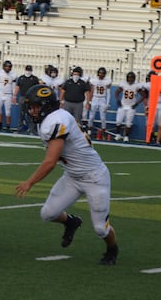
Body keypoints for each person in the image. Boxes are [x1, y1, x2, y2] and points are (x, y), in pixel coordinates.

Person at [16, 85, 119, 266]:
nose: (32, 111)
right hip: (72, 176)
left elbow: (50, 162)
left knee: (100, 229)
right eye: (30, 107)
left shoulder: (56, 120)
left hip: (94, 177)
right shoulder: (51, 119)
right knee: (48, 213)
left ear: (46, 105)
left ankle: (112, 249)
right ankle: (71, 222)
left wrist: (29, 182)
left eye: (35, 106)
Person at [114, 72, 144, 142]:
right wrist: (118, 100)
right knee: (118, 121)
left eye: (132, 78)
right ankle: (118, 135)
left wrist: (137, 103)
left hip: (131, 107)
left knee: (128, 123)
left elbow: (143, 95)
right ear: (127, 78)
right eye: (129, 78)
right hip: (123, 105)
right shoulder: (123, 84)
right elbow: (117, 92)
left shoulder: (137, 85)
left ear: (134, 78)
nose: (130, 79)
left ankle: (126, 136)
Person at [14, 65, 40, 133]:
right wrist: (14, 96)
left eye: (29, 70)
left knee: (31, 114)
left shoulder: (34, 78)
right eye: (27, 70)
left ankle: (32, 130)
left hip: (31, 98)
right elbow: (17, 87)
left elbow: (37, 88)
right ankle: (19, 129)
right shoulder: (21, 78)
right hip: (23, 97)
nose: (28, 72)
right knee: (21, 114)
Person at [87, 67, 112, 139]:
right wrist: (89, 101)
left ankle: (103, 132)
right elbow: (91, 91)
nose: (101, 74)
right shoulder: (94, 80)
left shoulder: (107, 81)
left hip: (102, 99)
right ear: (98, 73)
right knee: (91, 116)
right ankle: (89, 131)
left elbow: (108, 92)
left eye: (103, 73)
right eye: (100, 73)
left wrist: (107, 103)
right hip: (95, 98)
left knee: (103, 117)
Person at [0, 60, 16, 131]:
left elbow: (13, 87)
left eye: (9, 66)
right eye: (6, 66)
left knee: (8, 111)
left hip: (8, 94)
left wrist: (14, 96)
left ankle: (8, 127)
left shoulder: (13, 74)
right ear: (3, 66)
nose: (7, 68)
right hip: (0, 93)